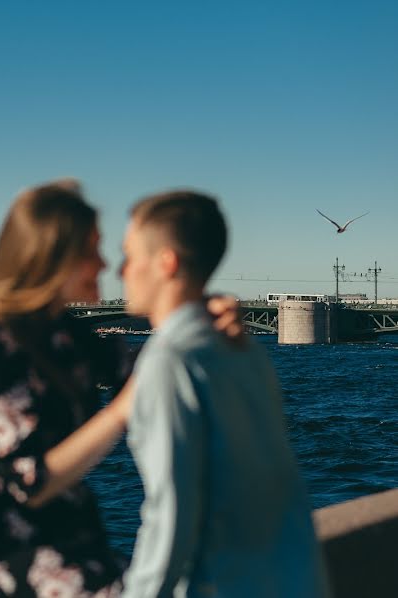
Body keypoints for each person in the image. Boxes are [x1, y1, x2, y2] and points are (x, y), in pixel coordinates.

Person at [0, 180, 242, 598]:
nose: (104, 265)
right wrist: (119, 411)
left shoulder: (67, 337)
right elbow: (27, 481)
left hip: (66, 537)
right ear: (54, 257)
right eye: (92, 249)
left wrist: (200, 317)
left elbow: (152, 367)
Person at [119, 191, 329, 597]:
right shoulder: (244, 349)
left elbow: (172, 517)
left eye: (129, 255)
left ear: (166, 262)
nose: (121, 270)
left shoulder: (170, 361)